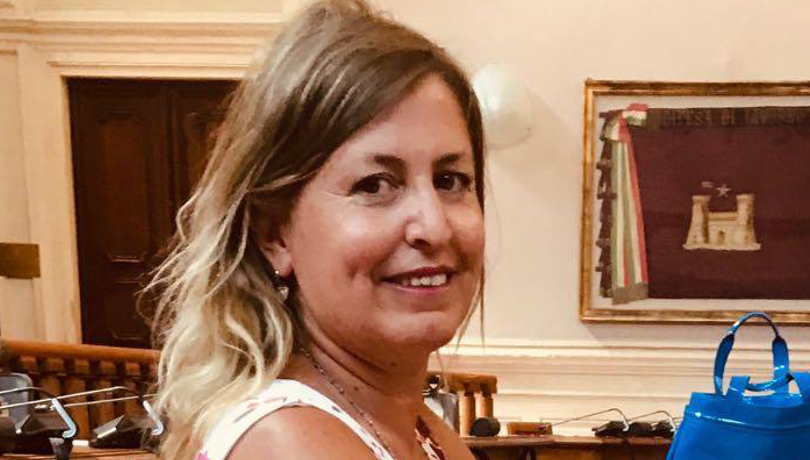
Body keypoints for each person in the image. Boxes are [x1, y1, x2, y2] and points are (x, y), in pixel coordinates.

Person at [147, 1, 485, 459]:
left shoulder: (419, 429)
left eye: (450, 180)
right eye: (375, 185)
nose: (434, 227)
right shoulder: (286, 442)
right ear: (274, 234)